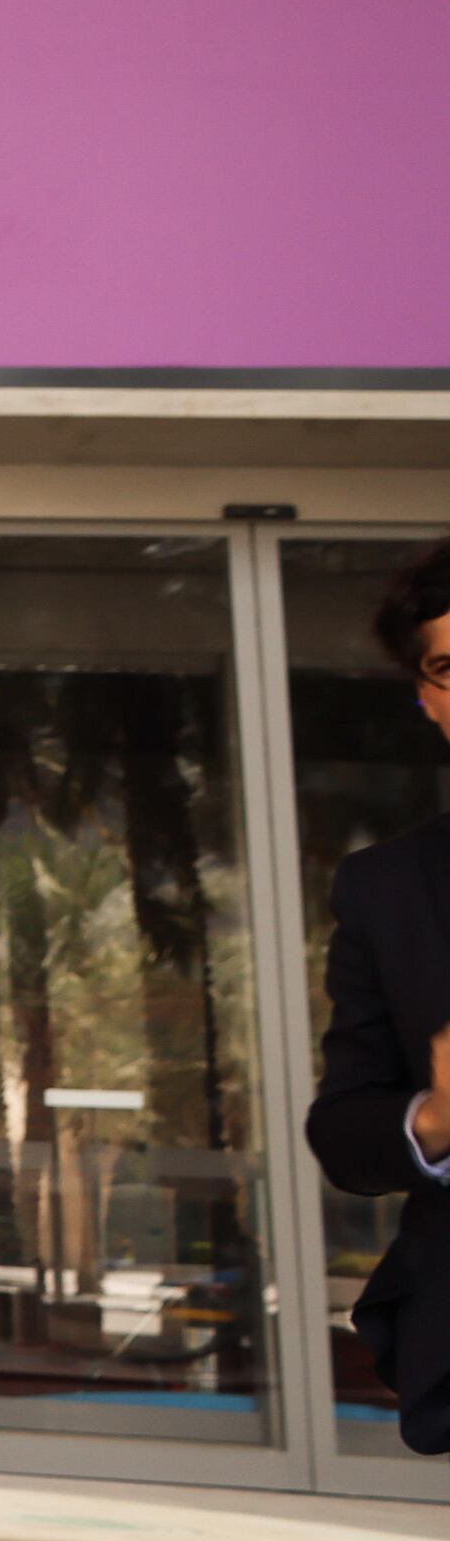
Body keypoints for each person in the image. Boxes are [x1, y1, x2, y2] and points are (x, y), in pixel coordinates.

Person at [313, 535, 450, 1454]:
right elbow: (346, 1127)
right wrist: (435, 1120)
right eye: (447, 665)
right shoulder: (387, 888)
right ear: (429, 698)